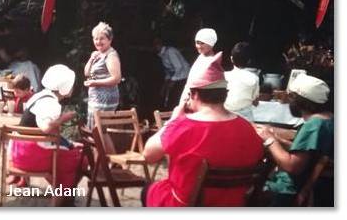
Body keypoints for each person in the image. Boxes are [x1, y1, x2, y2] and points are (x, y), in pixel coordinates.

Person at [141, 52, 264, 207]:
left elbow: (149, 155)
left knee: (148, 190)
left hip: (186, 205)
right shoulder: (248, 128)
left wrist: (173, 120)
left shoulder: (183, 125)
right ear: (224, 95)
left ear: (194, 94)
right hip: (233, 206)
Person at [255, 74, 333, 206]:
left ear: (299, 101)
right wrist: (279, 139)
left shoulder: (313, 125)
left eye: (290, 97)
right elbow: (309, 152)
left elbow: (293, 166)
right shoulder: (329, 119)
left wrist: (270, 140)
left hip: (290, 191)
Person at [10, 64, 82, 206]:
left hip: (18, 151)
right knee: (80, 158)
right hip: (30, 155)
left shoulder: (39, 96)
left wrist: (69, 143)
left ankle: (62, 194)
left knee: (70, 151)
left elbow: (46, 133)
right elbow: (46, 128)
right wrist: (64, 118)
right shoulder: (52, 104)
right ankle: (61, 200)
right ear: (65, 87)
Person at [83, 22, 122, 129]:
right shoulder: (98, 54)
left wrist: (95, 82)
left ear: (110, 39)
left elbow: (117, 78)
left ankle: (100, 146)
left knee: (98, 130)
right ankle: (96, 145)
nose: (98, 42)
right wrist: (91, 59)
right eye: (96, 39)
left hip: (105, 98)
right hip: (95, 97)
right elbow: (87, 73)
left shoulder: (111, 55)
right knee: (95, 130)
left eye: (102, 39)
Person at [180, 28, 218, 102]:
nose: (199, 46)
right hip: (188, 96)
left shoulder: (211, 62)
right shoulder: (201, 56)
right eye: (197, 43)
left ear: (211, 44)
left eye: (202, 43)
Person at [224, 42, 260, 121]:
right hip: (246, 120)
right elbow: (255, 101)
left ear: (231, 59)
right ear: (249, 61)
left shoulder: (223, 76)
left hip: (225, 117)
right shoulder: (254, 78)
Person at [152, 37, 190, 110]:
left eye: (157, 44)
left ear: (160, 44)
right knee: (165, 95)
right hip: (176, 78)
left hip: (184, 78)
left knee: (176, 99)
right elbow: (169, 71)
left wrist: (172, 81)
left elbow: (179, 67)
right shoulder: (162, 55)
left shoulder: (170, 51)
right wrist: (165, 84)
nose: (155, 47)